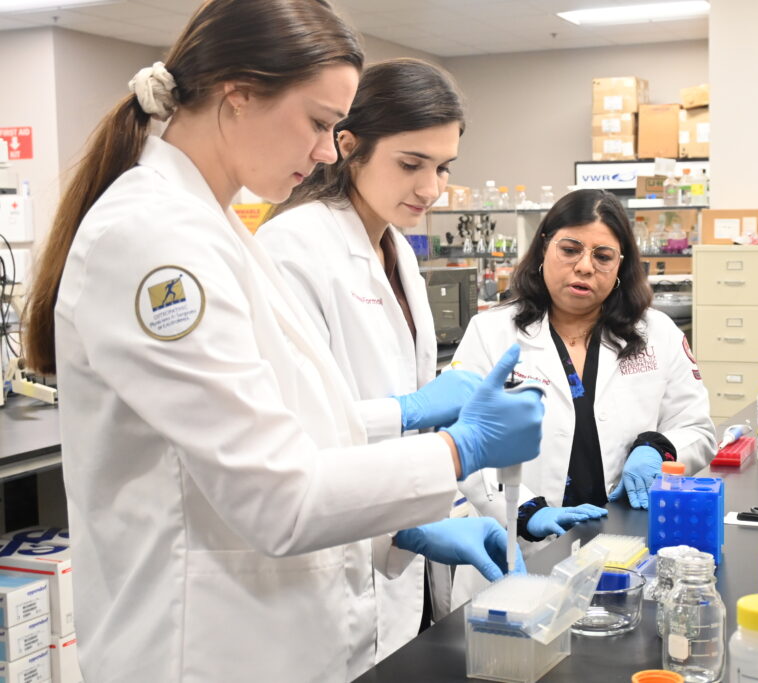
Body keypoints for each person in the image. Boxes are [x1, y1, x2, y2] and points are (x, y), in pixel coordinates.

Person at [22, 2, 543, 681]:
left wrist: (404, 431)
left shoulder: (209, 226)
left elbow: (282, 425)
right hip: (203, 649)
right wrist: (453, 448)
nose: (330, 149)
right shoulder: (152, 242)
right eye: (321, 123)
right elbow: (276, 495)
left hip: (275, 634)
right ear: (239, 94)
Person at [256, 58, 470, 659]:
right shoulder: (294, 248)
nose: (431, 188)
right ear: (348, 146)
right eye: (411, 164)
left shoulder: (399, 250)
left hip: (403, 545)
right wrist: (405, 410)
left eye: (443, 167)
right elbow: (293, 427)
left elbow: (421, 416)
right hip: (337, 556)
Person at [454, 189, 716, 558]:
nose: (585, 266)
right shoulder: (491, 332)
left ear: (620, 266)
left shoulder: (658, 333)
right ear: (544, 247)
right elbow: (463, 441)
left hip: (629, 542)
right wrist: (527, 511)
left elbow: (697, 430)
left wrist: (659, 449)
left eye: (603, 256)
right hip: (522, 545)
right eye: (570, 249)